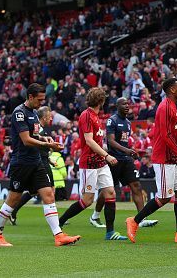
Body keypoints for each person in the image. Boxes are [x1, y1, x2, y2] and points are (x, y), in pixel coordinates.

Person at [0, 83, 80, 247]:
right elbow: (26, 140)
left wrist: (46, 139)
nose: (41, 103)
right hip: (22, 163)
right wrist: (48, 146)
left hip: (36, 161)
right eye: (39, 100)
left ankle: (58, 235)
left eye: (43, 99)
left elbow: (35, 135)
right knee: (13, 199)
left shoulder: (34, 113)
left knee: (48, 195)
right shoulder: (19, 113)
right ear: (30, 97)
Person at [126, 78, 177, 244]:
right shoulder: (164, 107)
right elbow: (165, 136)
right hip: (164, 158)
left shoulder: (172, 106)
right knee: (164, 197)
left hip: (174, 158)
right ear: (172, 90)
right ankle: (134, 221)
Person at [58, 87, 127, 241]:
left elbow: (95, 141)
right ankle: (60, 222)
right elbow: (89, 141)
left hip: (100, 163)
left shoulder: (95, 116)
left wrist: (104, 155)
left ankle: (110, 232)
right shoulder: (87, 116)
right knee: (87, 200)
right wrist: (107, 155)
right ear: (101, 101)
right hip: (89, 164)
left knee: (110, 193)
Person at [89, 98, 158, 229]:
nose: (127, 106)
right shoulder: (112, 120)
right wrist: (127, 150)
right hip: (113, 159)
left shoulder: (127, 122)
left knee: (136, 186)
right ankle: (95, 216)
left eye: (128, 104)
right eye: (124, 104)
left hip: (126, 159)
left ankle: (141, 218)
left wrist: (131, 152)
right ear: (117, 106)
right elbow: (111, 141)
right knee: (108, 190)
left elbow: (124, 142)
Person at [9, 106, 57, 224]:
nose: (50, 118)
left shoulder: (41, 130)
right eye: (49, 116)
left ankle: (14, 211)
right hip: (37, 163)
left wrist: (49, 159)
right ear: (44, 117)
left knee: (35, 191)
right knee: (50, 190)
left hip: (42, 161)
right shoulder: (37, 129)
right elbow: (33, 144)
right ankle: (57, 220)